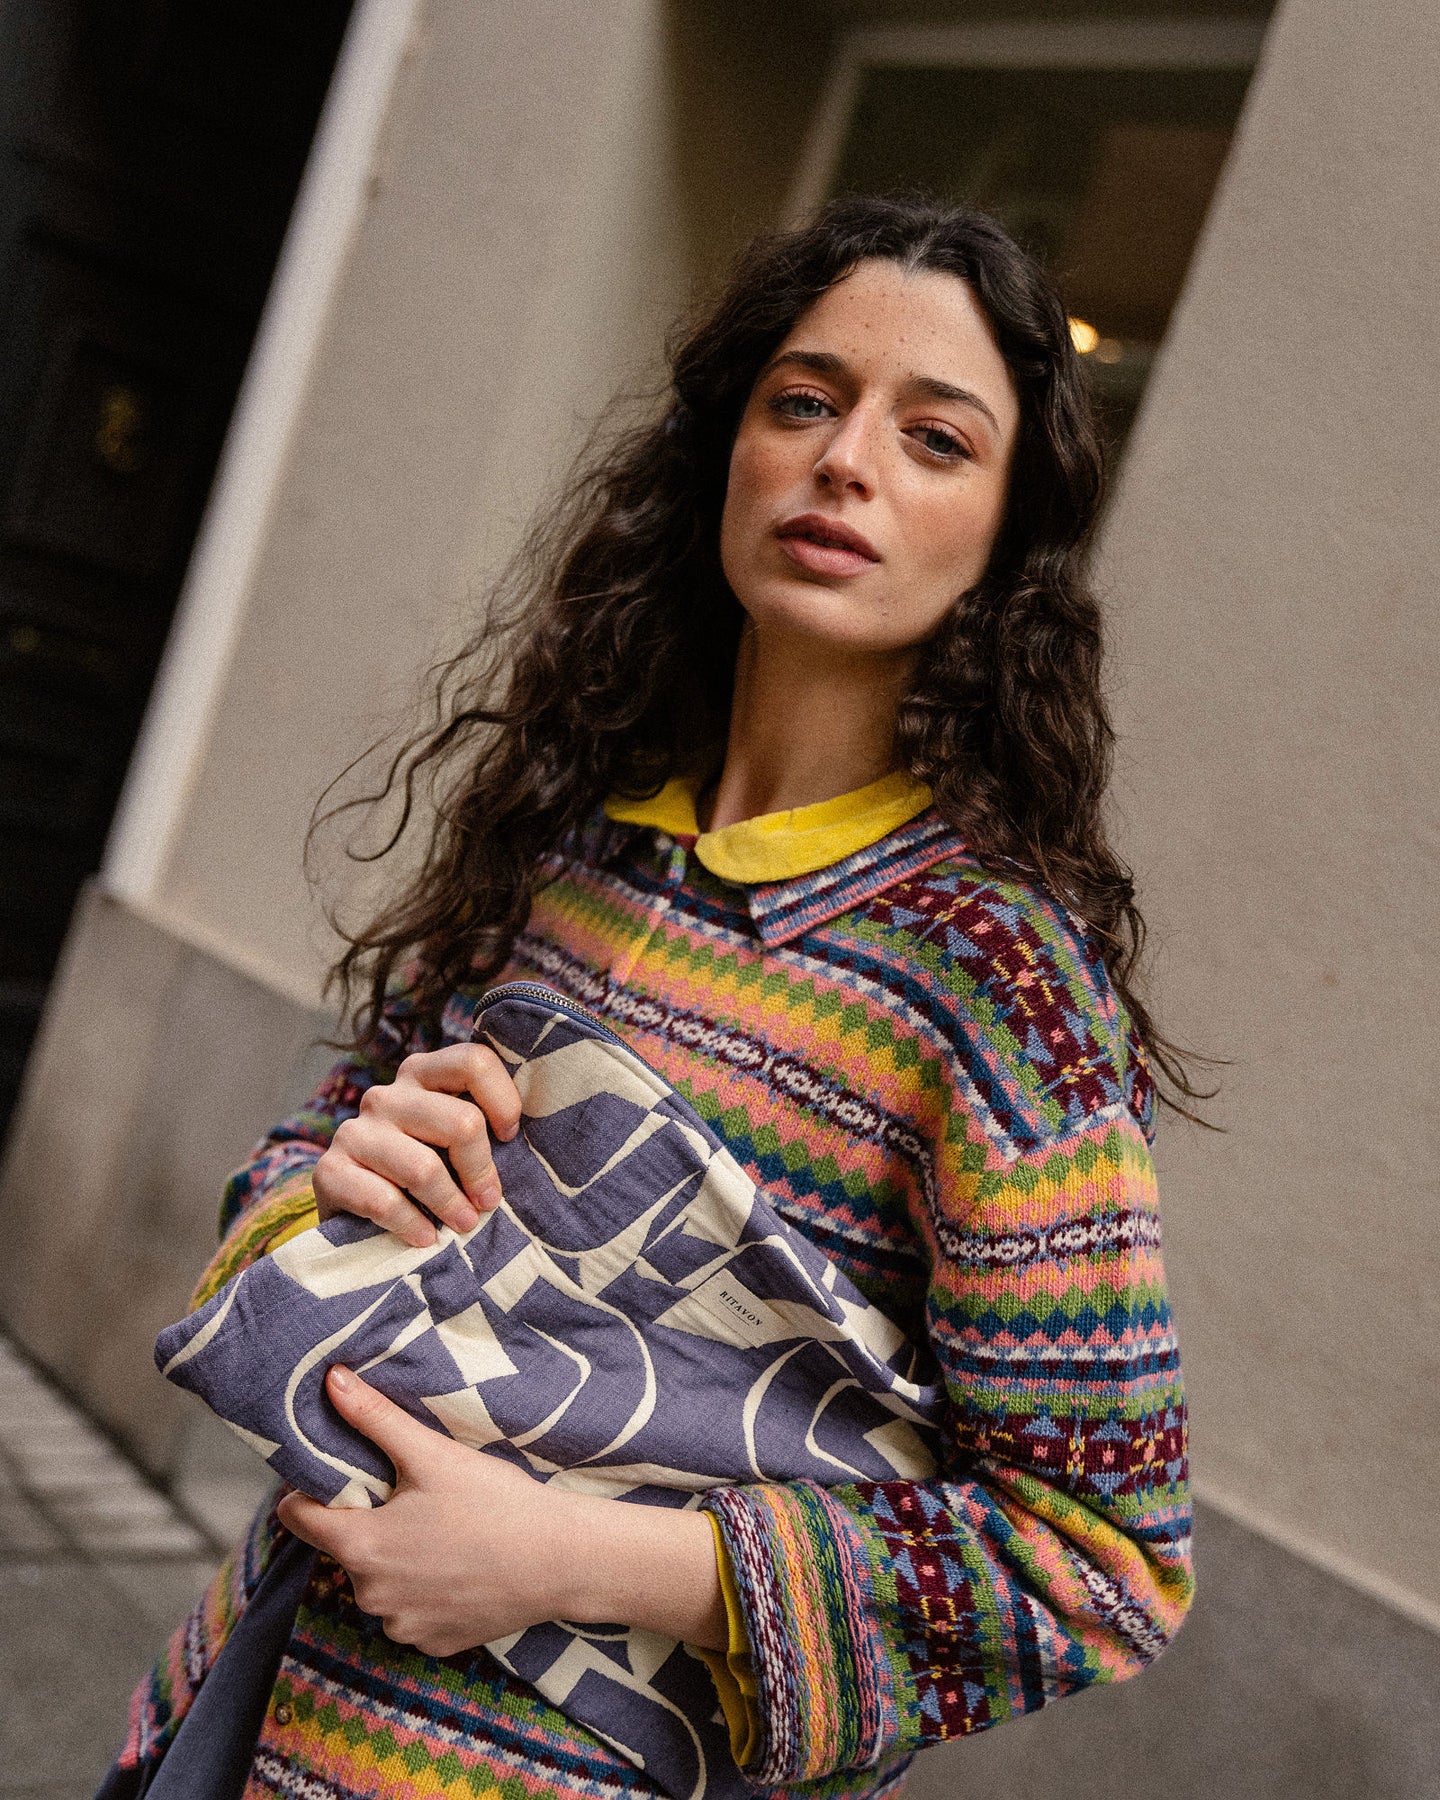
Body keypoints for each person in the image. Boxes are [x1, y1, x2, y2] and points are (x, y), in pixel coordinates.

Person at [111, 195, 1195, 1800]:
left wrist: (565, 1556)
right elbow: (287, 1177)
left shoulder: (993, 981)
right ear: (726, 452)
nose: (847, 462)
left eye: (936, 439)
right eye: (805, 401)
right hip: (256, 1710)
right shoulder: (561, 837)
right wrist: (336, 1187)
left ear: (1006, 539)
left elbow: (1098, 1563)